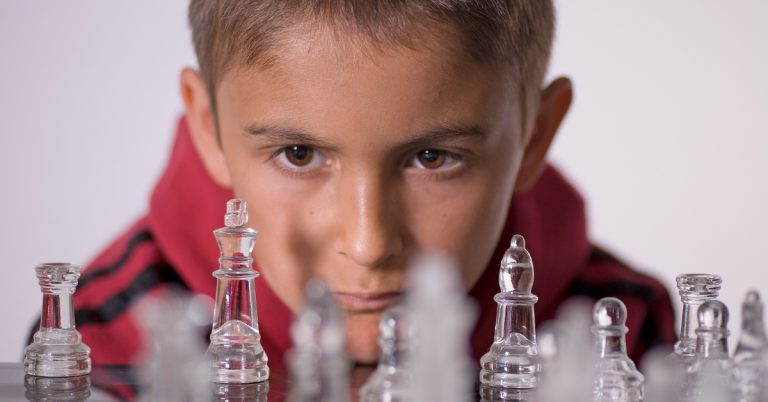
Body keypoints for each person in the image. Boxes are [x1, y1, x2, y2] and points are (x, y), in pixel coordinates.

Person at [28, 0, 676, 367]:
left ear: (534, 136)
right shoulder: (99, 332)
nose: (367, 244)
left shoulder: (629, 332)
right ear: (209, 127)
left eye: (431, 157)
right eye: (300, 153)